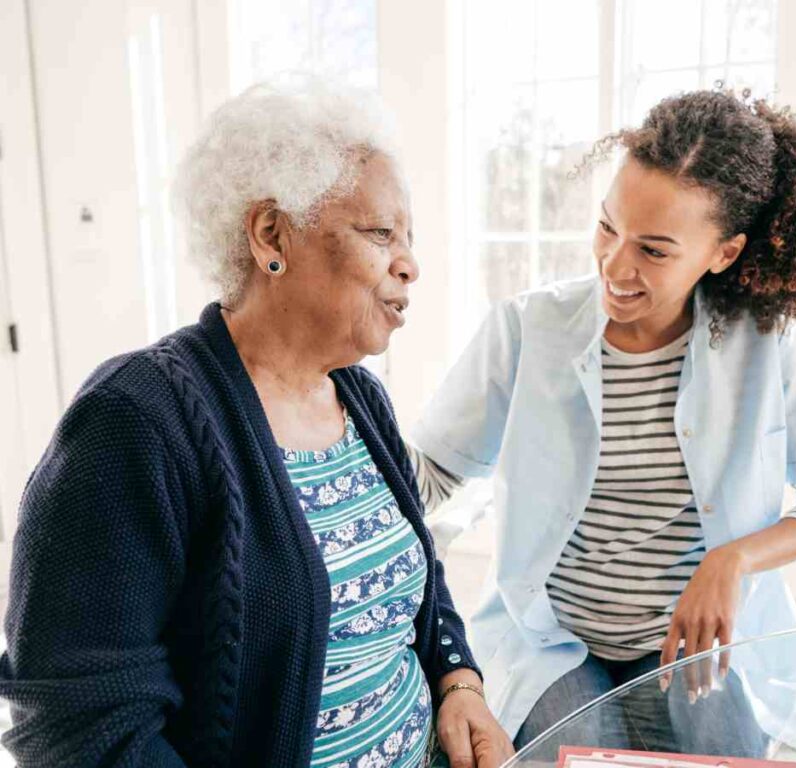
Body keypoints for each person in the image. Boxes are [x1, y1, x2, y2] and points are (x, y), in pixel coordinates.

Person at [0, 77, 511, 768]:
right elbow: (80, 728)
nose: (410, 263)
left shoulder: (360, 396)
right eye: (380, 232)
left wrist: (459, 683)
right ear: (272, 235)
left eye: (409, 237)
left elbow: (416, 577)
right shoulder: (134, 423)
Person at [407, 89, 796, 755]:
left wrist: (732, 560)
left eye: (653, 251)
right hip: (554, 641)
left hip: (697, 652)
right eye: (606, 227)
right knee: (579, 749)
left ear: (724, 252)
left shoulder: (766, 344)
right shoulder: (525, 330)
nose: (615, 266)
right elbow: (429, 472)